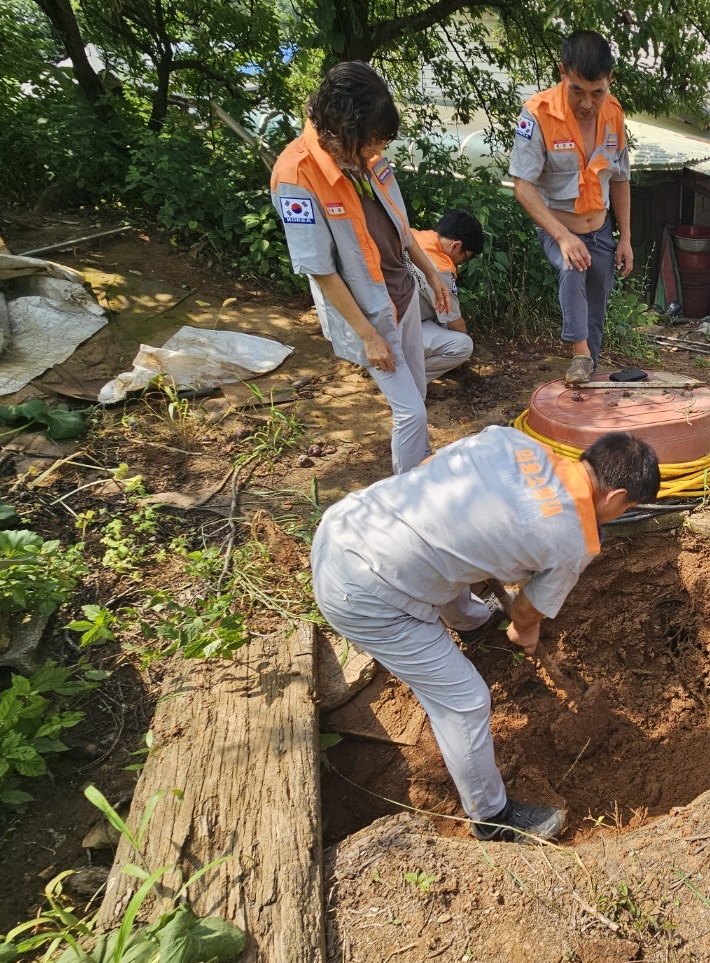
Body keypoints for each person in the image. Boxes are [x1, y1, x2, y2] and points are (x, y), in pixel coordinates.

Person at [311, 427, 661, 840]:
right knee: (466, 702)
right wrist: (522, 632)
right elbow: (528, 610)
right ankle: (492, 818)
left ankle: (471, 623)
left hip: (347, 524)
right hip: (370, 596)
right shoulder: (575, 538)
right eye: (626, 508)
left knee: (450, 549)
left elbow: (429, 471)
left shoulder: (511, 442)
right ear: (617, 497)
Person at [271, 61, 451, 474]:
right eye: (371, 141)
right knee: (411, 413)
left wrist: (431, 273)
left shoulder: (364, 158)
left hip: (402, 297)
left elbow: (400, 228)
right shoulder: (295, 176)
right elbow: (321, 270)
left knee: (417, 396)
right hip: (370, 315)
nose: (378, 151)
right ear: (344, 127)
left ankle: (422, 474)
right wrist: (369, 337)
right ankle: (408, 501)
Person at [509, 30, 634, 386]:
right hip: (558, 227)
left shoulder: (614, 114)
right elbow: (522, 185)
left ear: (609, 80)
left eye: (597, 92)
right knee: (571, 268)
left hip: (601, 230)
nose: (586, 103)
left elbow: (621, 179)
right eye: (577, 90)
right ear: (562, 71)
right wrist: (562, 236)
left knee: (597, 303)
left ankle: (587, 372)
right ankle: (579, 351)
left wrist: (625, 238)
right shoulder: (537, 114)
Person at [409, 208, 484, 381]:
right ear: (456, 246)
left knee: (437, 318)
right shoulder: (440, 268)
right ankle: (406, 377)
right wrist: (462, 360)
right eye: (465, 258)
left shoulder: (411, 235)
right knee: (462, 346)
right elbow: (456, 323)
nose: (462, 263)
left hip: (371, 324)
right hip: (395, 333)